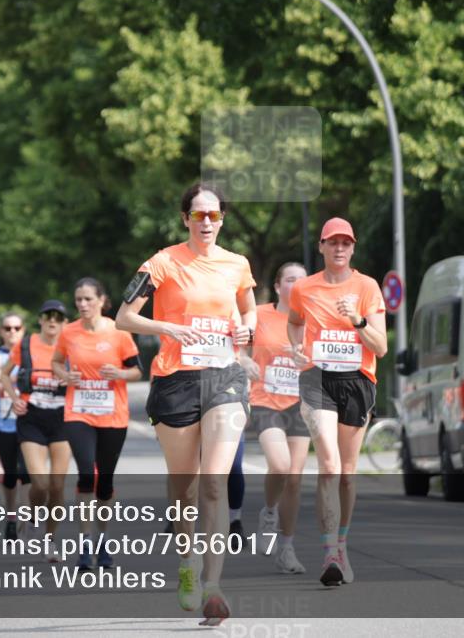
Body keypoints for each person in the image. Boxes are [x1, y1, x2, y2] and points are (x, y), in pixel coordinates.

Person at [115, 182, 255, 626]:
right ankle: (187, 563)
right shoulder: (162, 261)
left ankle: (214, 587)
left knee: (214, 482)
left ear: (223, 218)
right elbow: (123, 317)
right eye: (199, 215)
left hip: (224, 378)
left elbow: (248, 310)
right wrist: (168, 329)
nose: (207, 222)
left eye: (214, 215)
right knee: (186, 488)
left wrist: (246, 330)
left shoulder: (237, 264)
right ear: (185, 219)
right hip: (175, 379)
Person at [287, 218, 387, 587]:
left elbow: (381, 347)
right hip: (317, 379)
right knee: (328, 464)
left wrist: (357, 319)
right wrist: (297, 348)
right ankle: (329, 553)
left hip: (358, 381)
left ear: (353, 248)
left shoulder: (367, 287)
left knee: (347, 472)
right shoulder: (304, 287)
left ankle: (342, 545)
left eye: (346, 243)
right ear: (322, 247)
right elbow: (295, 322)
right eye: (333, 243)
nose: (340, 248)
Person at [53, 278, 141, 570]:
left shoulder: (119, 332)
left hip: (113, 415)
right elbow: (55, 363)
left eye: (88, 299)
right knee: (86, 474)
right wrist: (65, 377)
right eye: (78, 300)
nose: (82, 305)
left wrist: (118, 373)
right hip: (78, 413)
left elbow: (137, 372)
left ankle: (102, 540)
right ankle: (85, 542)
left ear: (102, 300)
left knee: (104, 483)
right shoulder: (68, 333)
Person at [239, 261, 311, 574]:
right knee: (280, 465)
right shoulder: (260, 314)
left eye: (302, 281)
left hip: (300, 403)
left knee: (294, 478)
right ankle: (269, 512)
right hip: (265, 400)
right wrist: (244, 361)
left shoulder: (313, 321)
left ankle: (286, 548)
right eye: (291, 280)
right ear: (279, 285)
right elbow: (236, 346)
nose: (297, 285)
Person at [0, 300, 71, 560]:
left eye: (58, 317)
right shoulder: (26, 344)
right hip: (32, 417)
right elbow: (5, 374)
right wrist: (13, 397)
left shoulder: (72, 346)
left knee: (57, 485)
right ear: (40, 320)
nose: (53, 321)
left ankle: (50, 541)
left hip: (63, 417)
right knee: (39, 483)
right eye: (48, 316)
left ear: (64, 323)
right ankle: (31, 517)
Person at [0, 311, 31, 540]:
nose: (12, 332)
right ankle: (11, 516)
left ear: (23, 330)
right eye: (7, 328)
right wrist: (9, 378)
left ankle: (25, 520)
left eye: (16, 328)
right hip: (4, 424)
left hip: (30, 423)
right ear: (0, 332)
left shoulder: (31, 353)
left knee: (27, 472)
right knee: (11, 475)